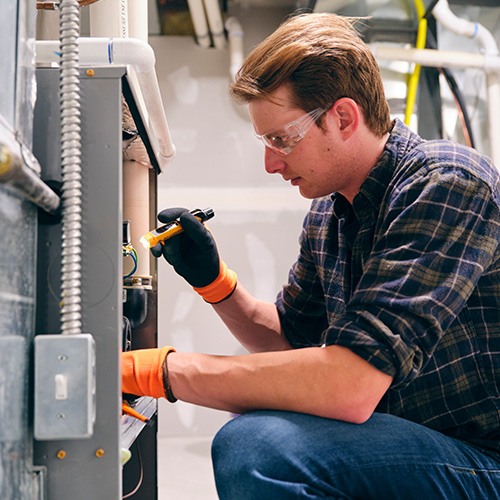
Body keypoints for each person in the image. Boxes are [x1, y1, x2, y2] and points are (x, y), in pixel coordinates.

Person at [122, 12, 500, 499]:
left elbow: (348, 385)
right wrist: (216, 284)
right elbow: (290, 341)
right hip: (414, 443)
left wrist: (156, 371)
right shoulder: (329, 212)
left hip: (482, 460)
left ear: (343, 117)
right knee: (260, 429)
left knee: (258, 446)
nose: (270, 162)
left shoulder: (446, 183)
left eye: (280, 139)